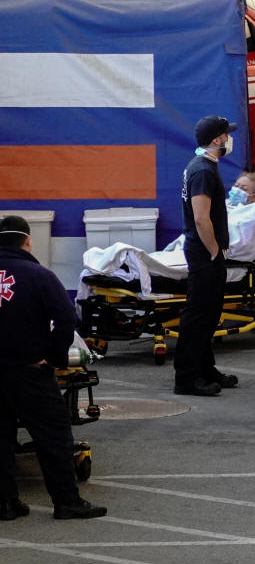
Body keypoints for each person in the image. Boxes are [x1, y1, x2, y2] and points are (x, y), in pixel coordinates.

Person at [0, 215, 107, 520]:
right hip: (29, 370)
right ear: (27, 240)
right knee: (53, 437)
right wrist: (54, 356)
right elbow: (66, 319)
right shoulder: (39, 275)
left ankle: (5, 503)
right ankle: (66, 501)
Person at [173, 115, 239, 397]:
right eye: (226, 135)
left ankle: (205, 368)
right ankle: (187, 377)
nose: (229, 139)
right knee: (199, 315)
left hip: (204, 251)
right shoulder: (202, 170)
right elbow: (201, 218)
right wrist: (213, 251)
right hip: (204, 252)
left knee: (209, 314)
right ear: (216, 140)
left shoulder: (202, 166)